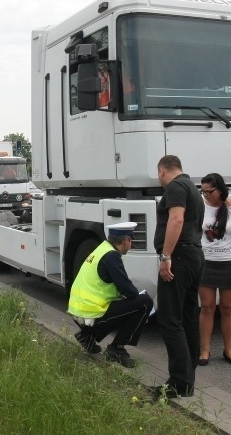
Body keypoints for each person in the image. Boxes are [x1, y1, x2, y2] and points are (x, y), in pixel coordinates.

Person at [151, 155, 205, 400]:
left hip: (179, 258)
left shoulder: (174, 188)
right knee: (188, 316)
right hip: (194, 255)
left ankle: (178, 382)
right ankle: (188, 376)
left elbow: (177, 219)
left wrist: (166, 257)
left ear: (162, 170)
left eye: (158, 174)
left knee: (170, 319)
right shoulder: (193, 188)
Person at [68, 222, 154, 368]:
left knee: (129, 305)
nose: (130, 244)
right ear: (126, 240)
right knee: (145, 302)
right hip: (92, 312)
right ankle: (116, 349)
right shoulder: (112, 256)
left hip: (80, 310)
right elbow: (128, 289)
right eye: (131, 241)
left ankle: (88, 336)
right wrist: (144, 313)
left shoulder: (102, 249)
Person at [198, 173, 231, 367]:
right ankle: (204, 350)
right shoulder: (200, 206)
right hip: (206, 263)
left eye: (209, 192)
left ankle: (229, 350)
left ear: (220, 189)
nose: (205, 195)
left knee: (228, 309)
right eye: (202, 191)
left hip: (230, 263)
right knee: (206, 308)